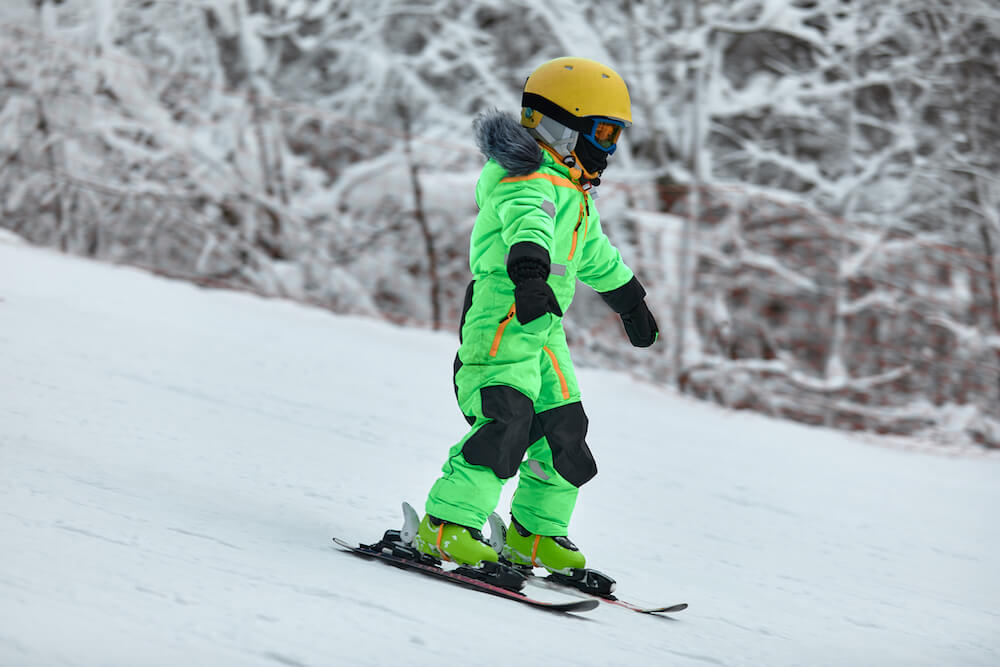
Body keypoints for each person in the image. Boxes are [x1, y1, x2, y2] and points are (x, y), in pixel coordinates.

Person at [413, 56, 659, 574]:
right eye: (603, 132)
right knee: (507, 420)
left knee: (564, 430)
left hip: (543, 328)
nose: (609, 148)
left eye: (616, 136)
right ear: (562, 126)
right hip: (502, 316)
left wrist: (629, 300)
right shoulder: (523, 179)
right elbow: (529, 225)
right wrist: (529, 274)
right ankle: (445, 525)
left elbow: (595, 255)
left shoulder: (575, 192)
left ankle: (534, 532)